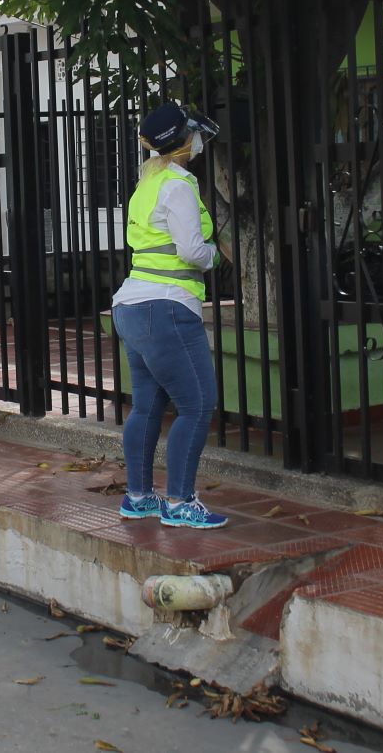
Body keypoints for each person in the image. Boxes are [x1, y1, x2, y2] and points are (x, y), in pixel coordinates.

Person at [111, 103, 230, 530]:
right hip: (167, 307)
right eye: (194, 132)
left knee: (146, 406)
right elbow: (191, 251)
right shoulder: (179, 184)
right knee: (197, 405)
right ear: (183, 141)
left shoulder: (146, 183)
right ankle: (180, 503)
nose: (199, 138)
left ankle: (139, 497)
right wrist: (216, 254)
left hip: (131, 305)